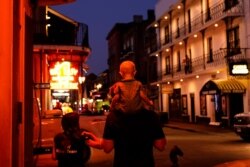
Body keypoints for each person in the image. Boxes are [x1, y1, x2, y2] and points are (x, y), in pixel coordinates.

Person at [83, 108, 166, 167]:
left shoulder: (114, 116)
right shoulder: (151, 115)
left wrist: (91, 142)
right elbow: (160, 145)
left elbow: (108, 147)